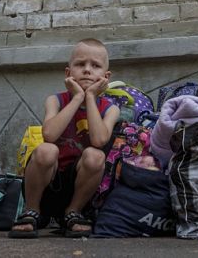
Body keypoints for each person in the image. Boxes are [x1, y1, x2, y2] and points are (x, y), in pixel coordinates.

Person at [8, 38, 120, 238]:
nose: (87, 70)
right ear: (68, 73)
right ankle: (31, 211)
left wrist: (91, 98)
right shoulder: (56, 100)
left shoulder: (111, 109)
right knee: (46, 149)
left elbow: (99, 141)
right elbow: (49, 135)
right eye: (80, 64)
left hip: (79, 188)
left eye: (95, 66)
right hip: (46, 183)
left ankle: (73, 212)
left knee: (96, 155)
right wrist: (77, 97)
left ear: (105, 76)